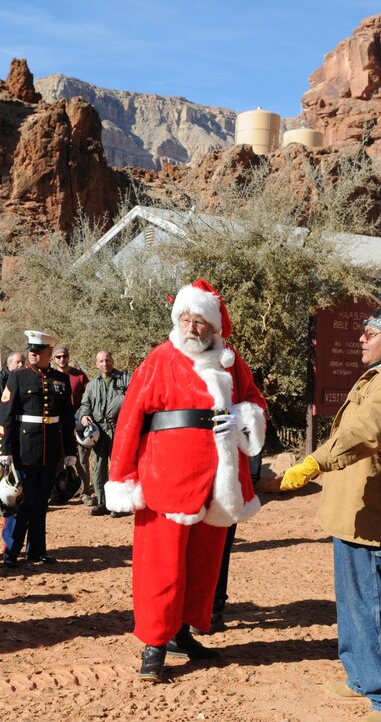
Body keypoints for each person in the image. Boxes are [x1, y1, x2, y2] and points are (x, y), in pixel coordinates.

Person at [281, 306, 381, 722]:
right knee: (355, 603)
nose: (361, 340)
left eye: (370, 334)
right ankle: (361, 679)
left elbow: (367, 430)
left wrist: (315, 461)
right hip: (358, 510)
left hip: (379, 515)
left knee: (375, 605)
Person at [106, 279, 266, 683]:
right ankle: (154, 644)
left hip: (218, 478)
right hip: (166, 479)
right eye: (187, 319)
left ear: (214, 328)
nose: (193, 328)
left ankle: (181, 633)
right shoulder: (159, 358)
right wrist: (122, 478)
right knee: (161, 565)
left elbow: (255, 401)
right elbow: (129, 421)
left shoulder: (232, 360)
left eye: (200, 322)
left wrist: (245, 417)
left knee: (202, 564)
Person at [0, 331, 77, 567]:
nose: (33, 353)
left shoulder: (60, 380)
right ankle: (11, 552)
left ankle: (37, 550)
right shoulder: (18, 377)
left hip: (50, 451)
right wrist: (4, 449)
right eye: (31, 350)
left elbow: (67, 419)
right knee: (22, 503)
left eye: (38, 350)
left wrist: (70, 451)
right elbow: (6, 416)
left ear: (49, 354)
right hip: (24, 450)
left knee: (42, 503)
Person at [76, 350, 130, 517]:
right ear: (96, 364)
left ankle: (121, 505)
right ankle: (103, 503)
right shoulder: (92, 385)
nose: (105, 363)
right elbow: (85, 404)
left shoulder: (125, 379)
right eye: (101, 361)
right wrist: (84, 415)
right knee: (99, 469)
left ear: (112, 361)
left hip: (119, 430)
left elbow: (135, 397)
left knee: (119, 468)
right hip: (99, 432)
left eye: (107, 360)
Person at [53, 346, 92, 503]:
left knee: (81, 459)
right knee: (57, 459)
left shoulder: (79, 376)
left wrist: (84, 416)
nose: (62, 359)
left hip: (77, 423)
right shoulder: (50, 376)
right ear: (53, 359)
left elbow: (88, 398)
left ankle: (85, 492)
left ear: (68, 357)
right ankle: (56, 493)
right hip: (56, 425)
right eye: (58, 357)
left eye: (64, 356)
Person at [0, 351, 24, 462]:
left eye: (23, 362)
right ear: (9, 364)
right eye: (18, 362)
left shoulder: (22, 381)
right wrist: (2, 429)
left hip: (18, 434)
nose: (21, 365)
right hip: (2, 436)